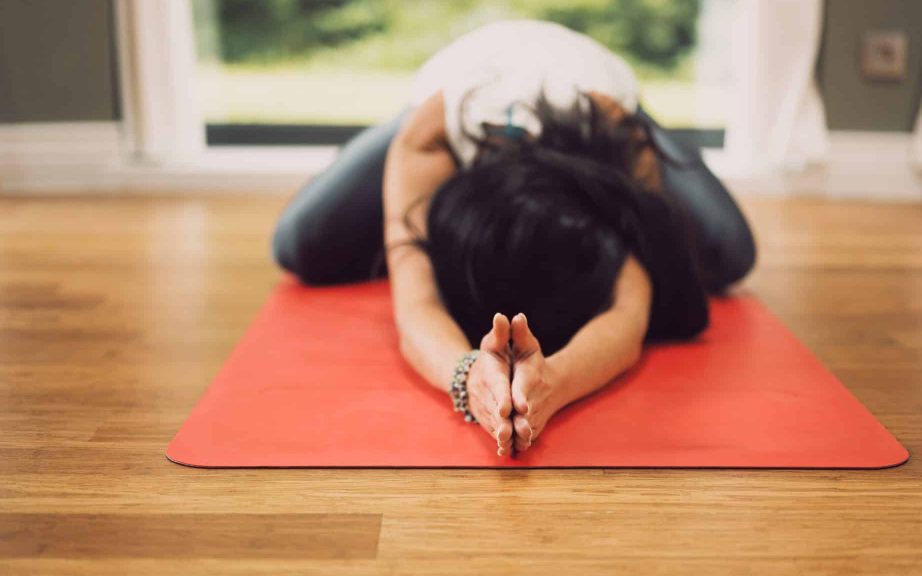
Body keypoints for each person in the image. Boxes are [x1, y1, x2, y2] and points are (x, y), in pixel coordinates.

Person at [271, 19, 756, 457]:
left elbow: (631, 306)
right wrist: (468, 378)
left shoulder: (612, 137)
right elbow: (415, 301)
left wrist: (553, 384)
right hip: (451, 82)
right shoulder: (429, 139)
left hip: (597, 85)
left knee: (728, 252)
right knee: (299, 244)